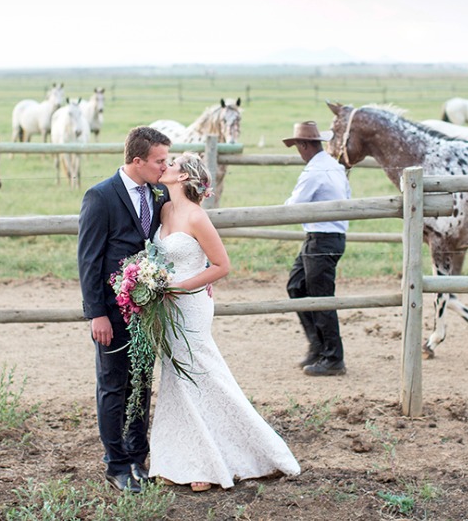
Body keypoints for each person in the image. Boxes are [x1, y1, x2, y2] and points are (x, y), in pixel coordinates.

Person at [148, 153, 301, 492]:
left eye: (172, 163)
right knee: (176, 378)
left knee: (204, 375)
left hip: (190, 305)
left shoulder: (197, 217)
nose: (165, 165)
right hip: (166, 306)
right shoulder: (164, 209)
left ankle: (232, 456)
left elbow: (221, 265)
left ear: (184, 177)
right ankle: (180, 458)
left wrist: (178, 286)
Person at [78, 126, 172, 494]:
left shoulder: (160, 192)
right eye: (159, 161)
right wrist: (95, 313)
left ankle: (137, 458)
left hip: (148, 312)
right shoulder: (100, 196)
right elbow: (88, 260)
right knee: (113, 385)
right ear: (137, 161)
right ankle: (115, 464)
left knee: (142, 384)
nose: (165, 167)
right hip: (112, 313)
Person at [283, 121, 352, 376]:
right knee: (297, 286)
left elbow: (294, 205)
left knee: (320, 296)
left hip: (321, 237)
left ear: (303, 145)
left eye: (297, 146)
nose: (298, 151)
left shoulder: (314, 172)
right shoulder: (334, 167)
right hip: (328, 236)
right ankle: (319, 346)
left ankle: (333, 356)